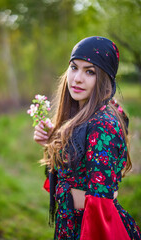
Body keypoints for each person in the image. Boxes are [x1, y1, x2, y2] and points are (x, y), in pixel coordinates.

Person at [34, 36, 141, 240]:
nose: (77, 78)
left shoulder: (102, 125)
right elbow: (68, 176)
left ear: (104, 79)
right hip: (71, 224)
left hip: (89, 229)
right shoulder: (81, 115)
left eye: (89, 71)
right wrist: (51, 144)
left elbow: (101, 204)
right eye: (74, 67)